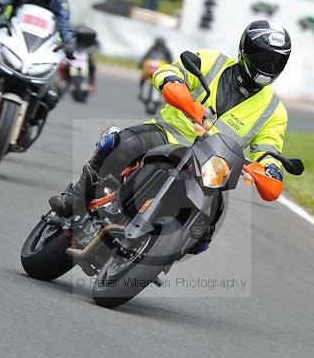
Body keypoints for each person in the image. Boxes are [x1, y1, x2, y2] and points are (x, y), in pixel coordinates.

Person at [49, 20, 292, 244]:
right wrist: (173, 85)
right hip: (168, 134)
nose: (267, 67)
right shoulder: (212, 62)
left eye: (276, 62)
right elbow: (170, 71)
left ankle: (170, 248)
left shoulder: (274, 111)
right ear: (245, 51)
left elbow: (269, 149)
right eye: (262, 58)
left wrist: (270, 169)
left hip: (211, 166)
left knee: (206, 230)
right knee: (120, 144)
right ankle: (77, 197)